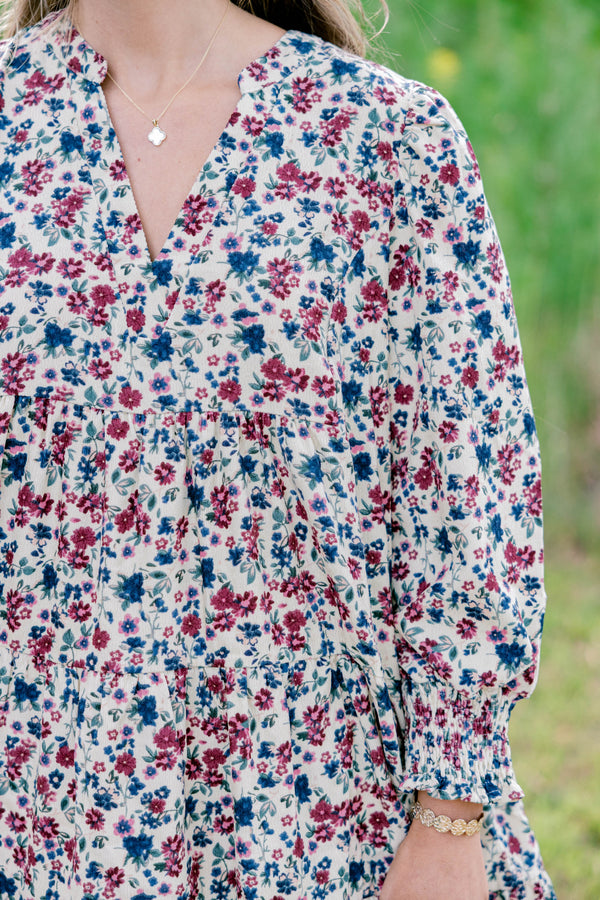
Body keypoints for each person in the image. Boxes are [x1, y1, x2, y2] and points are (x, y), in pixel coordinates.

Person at [0, 0, 556, 897]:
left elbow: (464, 487)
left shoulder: (384, 139)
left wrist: (451, 817)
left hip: (322, 813)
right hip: (46, 809)